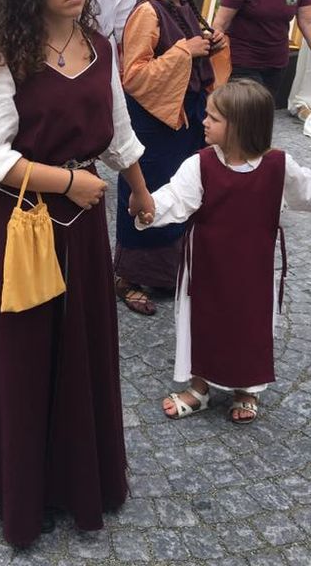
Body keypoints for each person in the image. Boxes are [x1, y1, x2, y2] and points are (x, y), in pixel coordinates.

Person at [0, 0, 153, 550]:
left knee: (80, 353)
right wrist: (68, 184)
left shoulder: (101, 46)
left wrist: (140, 191)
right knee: (26, 359)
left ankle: (75, 481)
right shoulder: (0, 55)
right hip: (22, 228)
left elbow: (116, 134)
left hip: (84, 232)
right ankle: (18, 492)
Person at [132, 79, 311, 423]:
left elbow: (304, 191)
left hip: (255, 270)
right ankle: (198, 388)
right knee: (200, 320)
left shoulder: (279, 165)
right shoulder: (200, 164)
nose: (204, 121)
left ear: (240, 126)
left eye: (214, 117)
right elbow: (175, 198)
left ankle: (247, 388)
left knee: (252, 324)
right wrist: (148, 208)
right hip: (207, 267)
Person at [114, 0, 228, 316]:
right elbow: (134, 76)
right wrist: (185, 51)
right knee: (145, 191)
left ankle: (167, 273)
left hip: (184, 120)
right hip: (152, 126)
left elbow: (191, 56)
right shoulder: (147, 11)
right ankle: (126, 276)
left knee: (180, 193)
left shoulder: (183, 6)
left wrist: (209, 46)